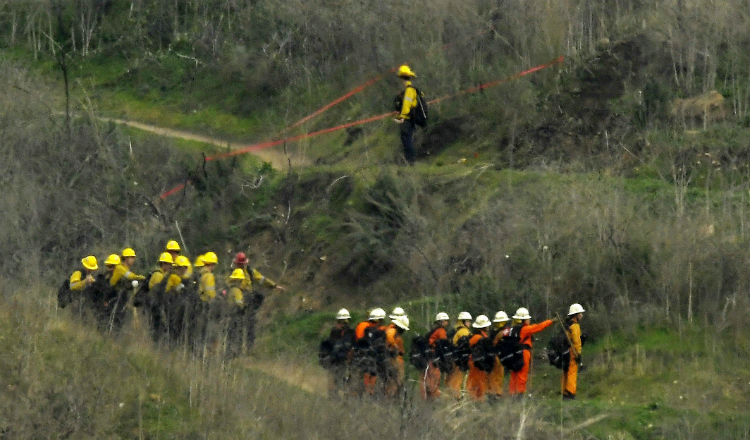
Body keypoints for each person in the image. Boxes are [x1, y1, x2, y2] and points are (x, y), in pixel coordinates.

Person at [508, 307, 553, 397]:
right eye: (527, 318)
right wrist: (550, 321)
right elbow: (538, 327)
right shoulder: (525, 329)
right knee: (522, 374)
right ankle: (519, 396)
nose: (529, 320)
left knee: (514, 374)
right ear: (523, 320)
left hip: (514, 353)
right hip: (523, 353)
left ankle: (512, 394)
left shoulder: (512, 329)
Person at [322, 308, 355, 398]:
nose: (342, 324)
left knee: (347, 381)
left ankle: (346, 398)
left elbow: (354, 346)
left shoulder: (351, 333)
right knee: (333, 379)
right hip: (335, 361)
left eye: (344, 322)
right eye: (340, 322)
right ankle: (333, 396)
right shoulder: (334, 332)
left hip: (346, 361)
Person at [354, 308, 387, 396]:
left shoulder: (365, 329)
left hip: (361, 356)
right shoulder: (380, 332)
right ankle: (370, 393)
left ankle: (364, 393)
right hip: (374, 358)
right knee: (373, 374)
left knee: (366, 373)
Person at [420, 312, 450, 400]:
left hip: (429, 357)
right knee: (434, 379)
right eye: (445, 321)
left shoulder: (433, 331)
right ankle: (434, 398)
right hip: (434, 358)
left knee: (429, 379)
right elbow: (443, 344)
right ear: (441, 322)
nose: (447, 323)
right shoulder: (441, 331)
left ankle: (429, 398)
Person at [393, 64, 419, 165]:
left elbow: (406, 106)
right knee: (406, 138)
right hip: (410, 118)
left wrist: (401, 118)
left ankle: (410, 161)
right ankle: (409, 160)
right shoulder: (410, 90)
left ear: (402, 79)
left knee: (406, 139)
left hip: (407, 119)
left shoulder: (408, 90)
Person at [446, 311, 472, 399]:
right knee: (457, 382)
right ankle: (456, 400)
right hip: (459, 361)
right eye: (468, 321)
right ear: (463, 322)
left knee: (453, 381)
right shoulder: (464, 331)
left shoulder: (457, 331)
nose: (470, 323)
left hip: (454, 359)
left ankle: (451, 398)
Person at [562, 303, 585, 400]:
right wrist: (578, 354)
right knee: (572, 372)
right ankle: (570, 393)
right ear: (576, 315)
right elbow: (576, 341)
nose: (582, 315)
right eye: (580, 313)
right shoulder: (575, 326)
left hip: (564, 351)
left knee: (565, 372)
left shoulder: (567, 324)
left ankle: (564, 392)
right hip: (572, 352)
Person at [467, 315, 492, 401]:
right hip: (476, 364)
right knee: (478, 384)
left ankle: (475, 401)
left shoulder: (477, 337)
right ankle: (475, 402)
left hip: (476, 363)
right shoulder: (478, 338)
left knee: (478, 383)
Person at [384, 315, 409, 398]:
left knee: (395, 382)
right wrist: (395, 346)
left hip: (393, 359)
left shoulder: (394, 332)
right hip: (393, 360)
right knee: (396, 382)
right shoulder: (392, 330)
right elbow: (389, 338)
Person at [488, 310, 510, 399]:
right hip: (497, 356)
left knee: (496, 376)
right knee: (496, 375)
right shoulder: (501, 332)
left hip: (498, 355)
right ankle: (495, 393)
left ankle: (494, 392)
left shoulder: (504, 331)